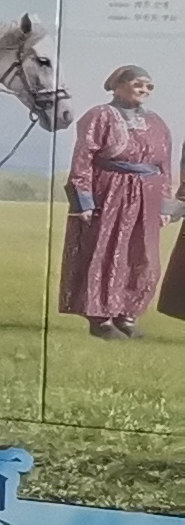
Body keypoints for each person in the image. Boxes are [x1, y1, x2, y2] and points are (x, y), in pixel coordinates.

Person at [61, 66, 173, 339]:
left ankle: (127, 316)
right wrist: (83, 200)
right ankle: (100, 319)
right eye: (138, 84)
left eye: (149, 86)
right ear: (118, 86)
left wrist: (164, 206)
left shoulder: (157, 122)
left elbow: (164, 166)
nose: (144, 90)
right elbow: (83, 158)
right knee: (105, 251)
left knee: (143, 256)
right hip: (109, 191)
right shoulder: (99, 116)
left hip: (148, 195)